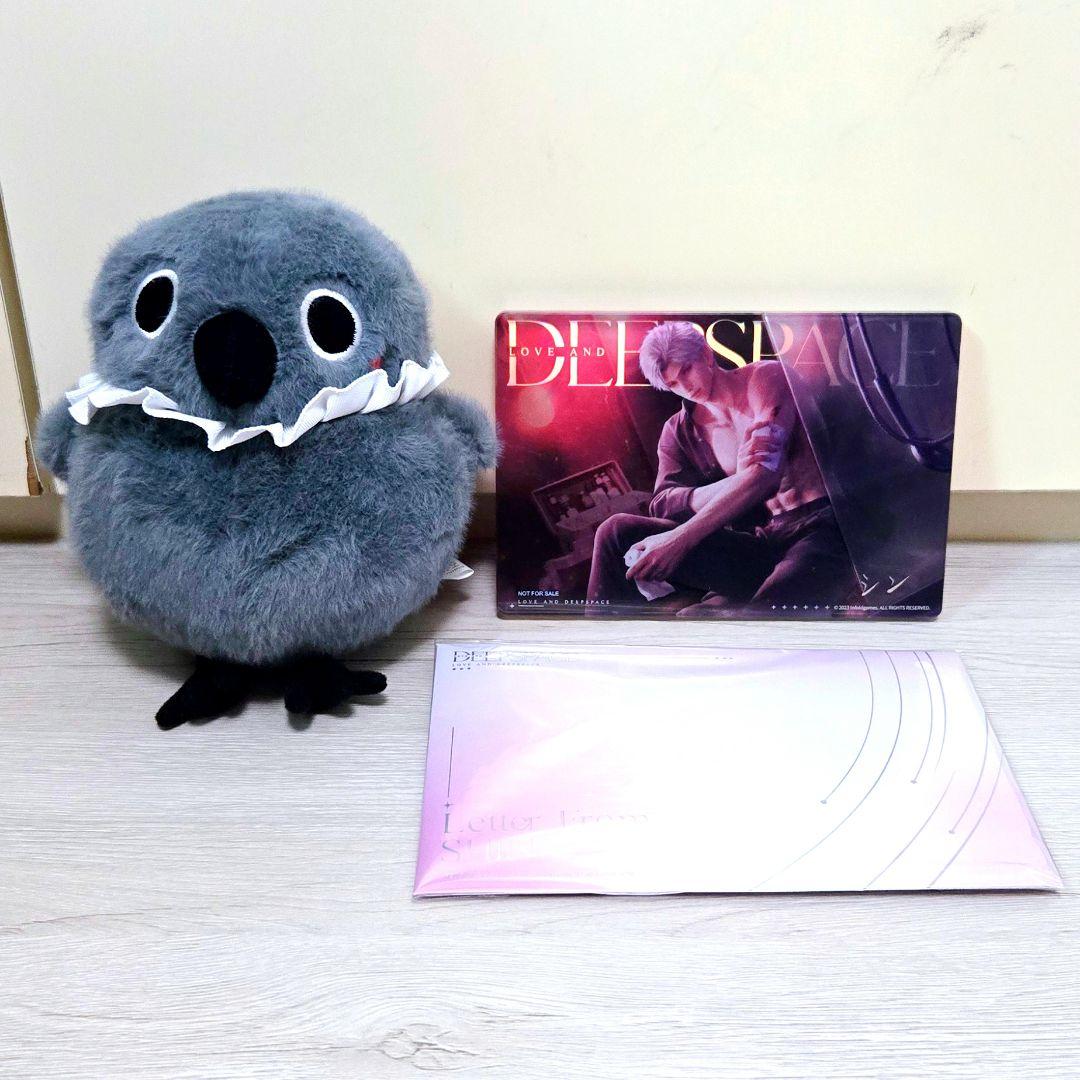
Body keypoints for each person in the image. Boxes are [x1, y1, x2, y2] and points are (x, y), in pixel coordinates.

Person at [586, 321, 856, 612]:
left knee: (757, 616)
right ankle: (591, 633)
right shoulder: (679, 429)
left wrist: (679, 540)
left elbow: (766, 475)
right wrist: (736, 481)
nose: (686, 387)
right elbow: (663, 504)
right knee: (615, 531)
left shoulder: (765, 379)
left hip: (821, 528)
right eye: (673, 384)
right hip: (766, 538)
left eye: (686, 370)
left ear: (705, 354)